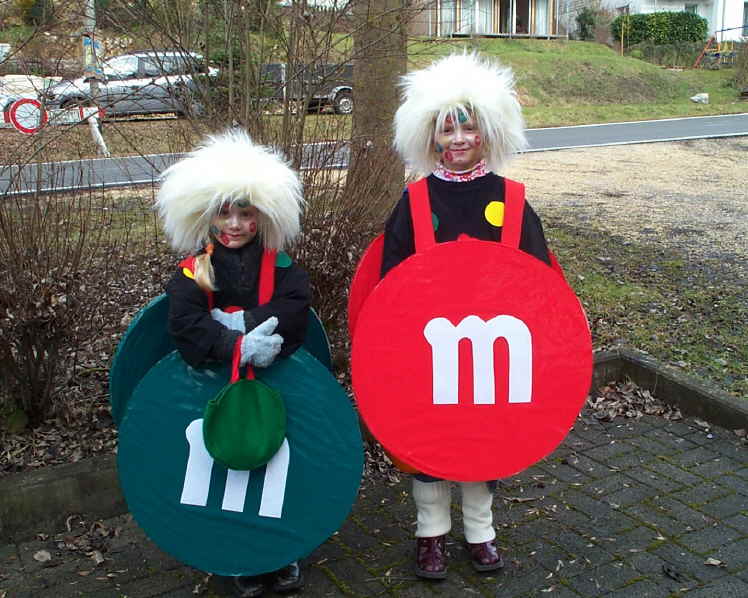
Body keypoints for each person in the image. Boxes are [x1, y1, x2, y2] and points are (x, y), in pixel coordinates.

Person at [381, 52, 552, 579]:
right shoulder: (414, 203)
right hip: (429, 352)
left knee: (483, 441)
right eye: (447, 129)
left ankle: (481, 533)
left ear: (487, 131)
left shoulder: (512, 202)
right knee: (429, 442)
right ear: (430, 136)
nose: (458, 139)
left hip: (490, 354)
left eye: (468, 127)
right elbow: (391, 285)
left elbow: (538, 283)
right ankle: (430, 535)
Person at [156, 128, 310, 598]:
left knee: (277, 465)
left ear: (263, 215)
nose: (236, 224)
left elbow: (295, 308)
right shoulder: (194, 271)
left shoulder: (282, 268)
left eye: (246, 213)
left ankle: (281, 551)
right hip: (214, 389)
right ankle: (238, 552)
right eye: (225, 212)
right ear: (207, 214)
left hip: (275, 386)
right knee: (226, 468)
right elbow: (185, 324)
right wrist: (234, 344)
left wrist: (250, 326)